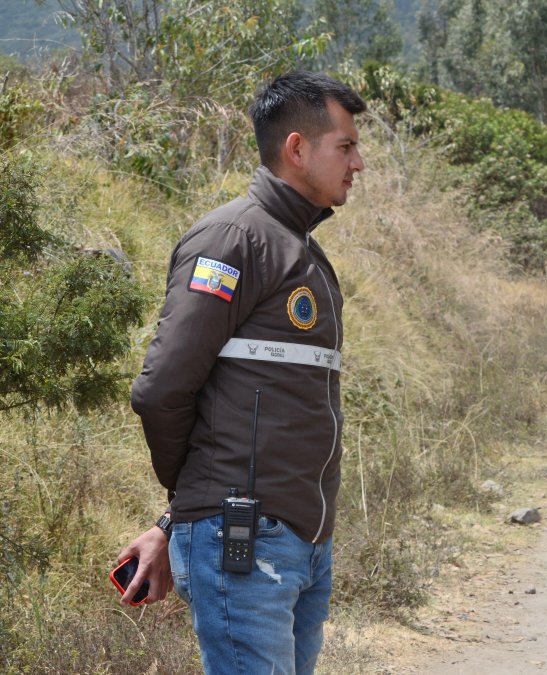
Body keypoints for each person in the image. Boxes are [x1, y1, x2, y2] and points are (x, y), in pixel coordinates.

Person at [118, 71, 367, 674]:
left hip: (302, 544)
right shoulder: (234, 240)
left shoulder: (298, 247)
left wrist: (173, 518)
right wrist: (196, 509)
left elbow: (244, 412)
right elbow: (162, 390)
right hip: (248, 542)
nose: (358, 163)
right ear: (298, 149)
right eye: (347, 146)